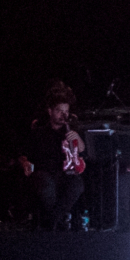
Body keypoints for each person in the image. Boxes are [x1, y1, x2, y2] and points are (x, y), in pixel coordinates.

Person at [22, 87, 90, 231]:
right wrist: (25, 162)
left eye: (66, 111)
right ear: (50, 111)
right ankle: (56, 221)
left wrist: (78, 139)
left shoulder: (71, 132)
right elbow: (25, 154)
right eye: (59, 111)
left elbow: (82, 153)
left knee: (77, 184)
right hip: (44, 171)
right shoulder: (39, 132)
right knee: (46, 186)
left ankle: (51, 220)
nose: (63, 115)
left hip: (65, 172)